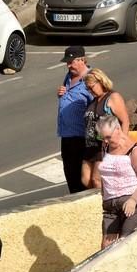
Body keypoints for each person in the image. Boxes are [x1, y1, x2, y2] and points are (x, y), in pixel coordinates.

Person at [96, 115, 137, 250]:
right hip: (111, 208)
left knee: (126, 246)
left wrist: (134, 200)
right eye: (102, 138)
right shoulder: (106, 147)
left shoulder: (134, 151)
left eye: (108, 137)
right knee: (105, 250)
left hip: (135, 206)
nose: (105, 141)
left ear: (118, 129)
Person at [81, 68, 130, 189]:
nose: (90, 90)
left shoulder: (113, 97)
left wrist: (121, 144)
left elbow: (125, 121)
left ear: (101, 81)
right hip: (91, 146)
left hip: (104, 146)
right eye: (88, 88)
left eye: (91, 87)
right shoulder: (94, 101)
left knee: (97, 180)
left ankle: (104, 203)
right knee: (85, 180)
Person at [57, 45, 94, 194]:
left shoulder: (91, 78)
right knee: (71, 176)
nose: (69, 65)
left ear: (82, 60)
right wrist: (62, 94)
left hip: (82, 137)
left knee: (83, 179)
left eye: (71, 62)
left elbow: (98, 102)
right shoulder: (69, 76)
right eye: (67, 62)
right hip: (66, 135)